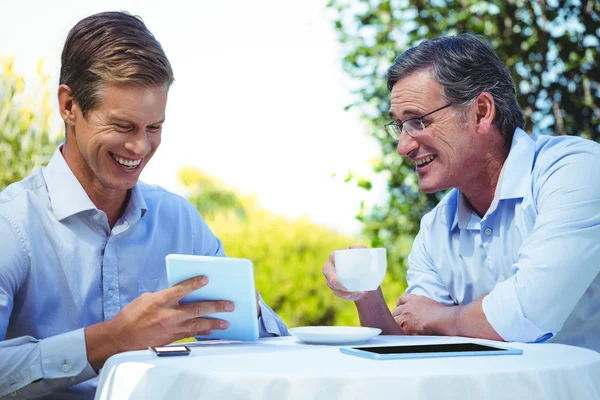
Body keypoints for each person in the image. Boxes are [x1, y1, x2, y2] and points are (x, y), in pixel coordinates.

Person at [0, 11, 288, 399]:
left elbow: (268, 345)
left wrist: (248, 312)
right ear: (69, 106)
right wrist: (108, 340)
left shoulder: (179, 221)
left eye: (154, 128)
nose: (139, 148)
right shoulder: (11, 224)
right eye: (122, 127)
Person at [323, 34, 600, 353]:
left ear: (480, 112)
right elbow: (414, 346)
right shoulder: (434, 228)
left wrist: (438, 317)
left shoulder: (577, 171)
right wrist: (366, 293)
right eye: (399, 126)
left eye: (417, 122)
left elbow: (527, 314)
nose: (403, 146)